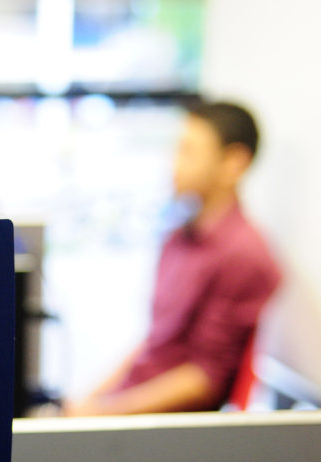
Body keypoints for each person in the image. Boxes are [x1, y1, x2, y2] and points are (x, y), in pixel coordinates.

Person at [61, 101, 281, 416]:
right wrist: (88, 402)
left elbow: (204, 379)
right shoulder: (180, 237)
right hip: (130, 406)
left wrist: (102, 414)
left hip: (165, 425)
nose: (174, 163)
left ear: (234, 162)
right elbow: (155, 342)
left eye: (188, 151)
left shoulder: (244, 256)